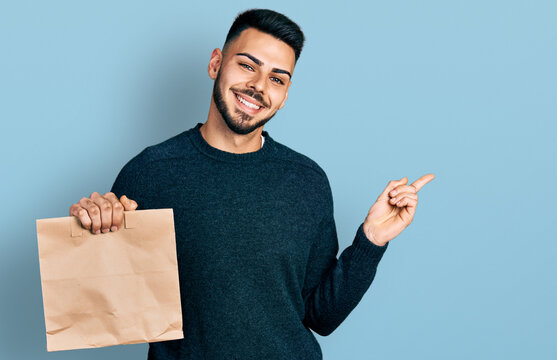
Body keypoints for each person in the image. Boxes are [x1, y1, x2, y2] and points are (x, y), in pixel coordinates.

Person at [69, 8, 434, 359]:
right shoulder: (149, 171)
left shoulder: (307, 180)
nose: (259, 86)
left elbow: (321, 317)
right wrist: (91, 228)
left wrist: (370, 241)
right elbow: (105, 304)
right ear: (216, 64)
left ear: (285, 95)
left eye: (277, 78)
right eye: (247, 65)